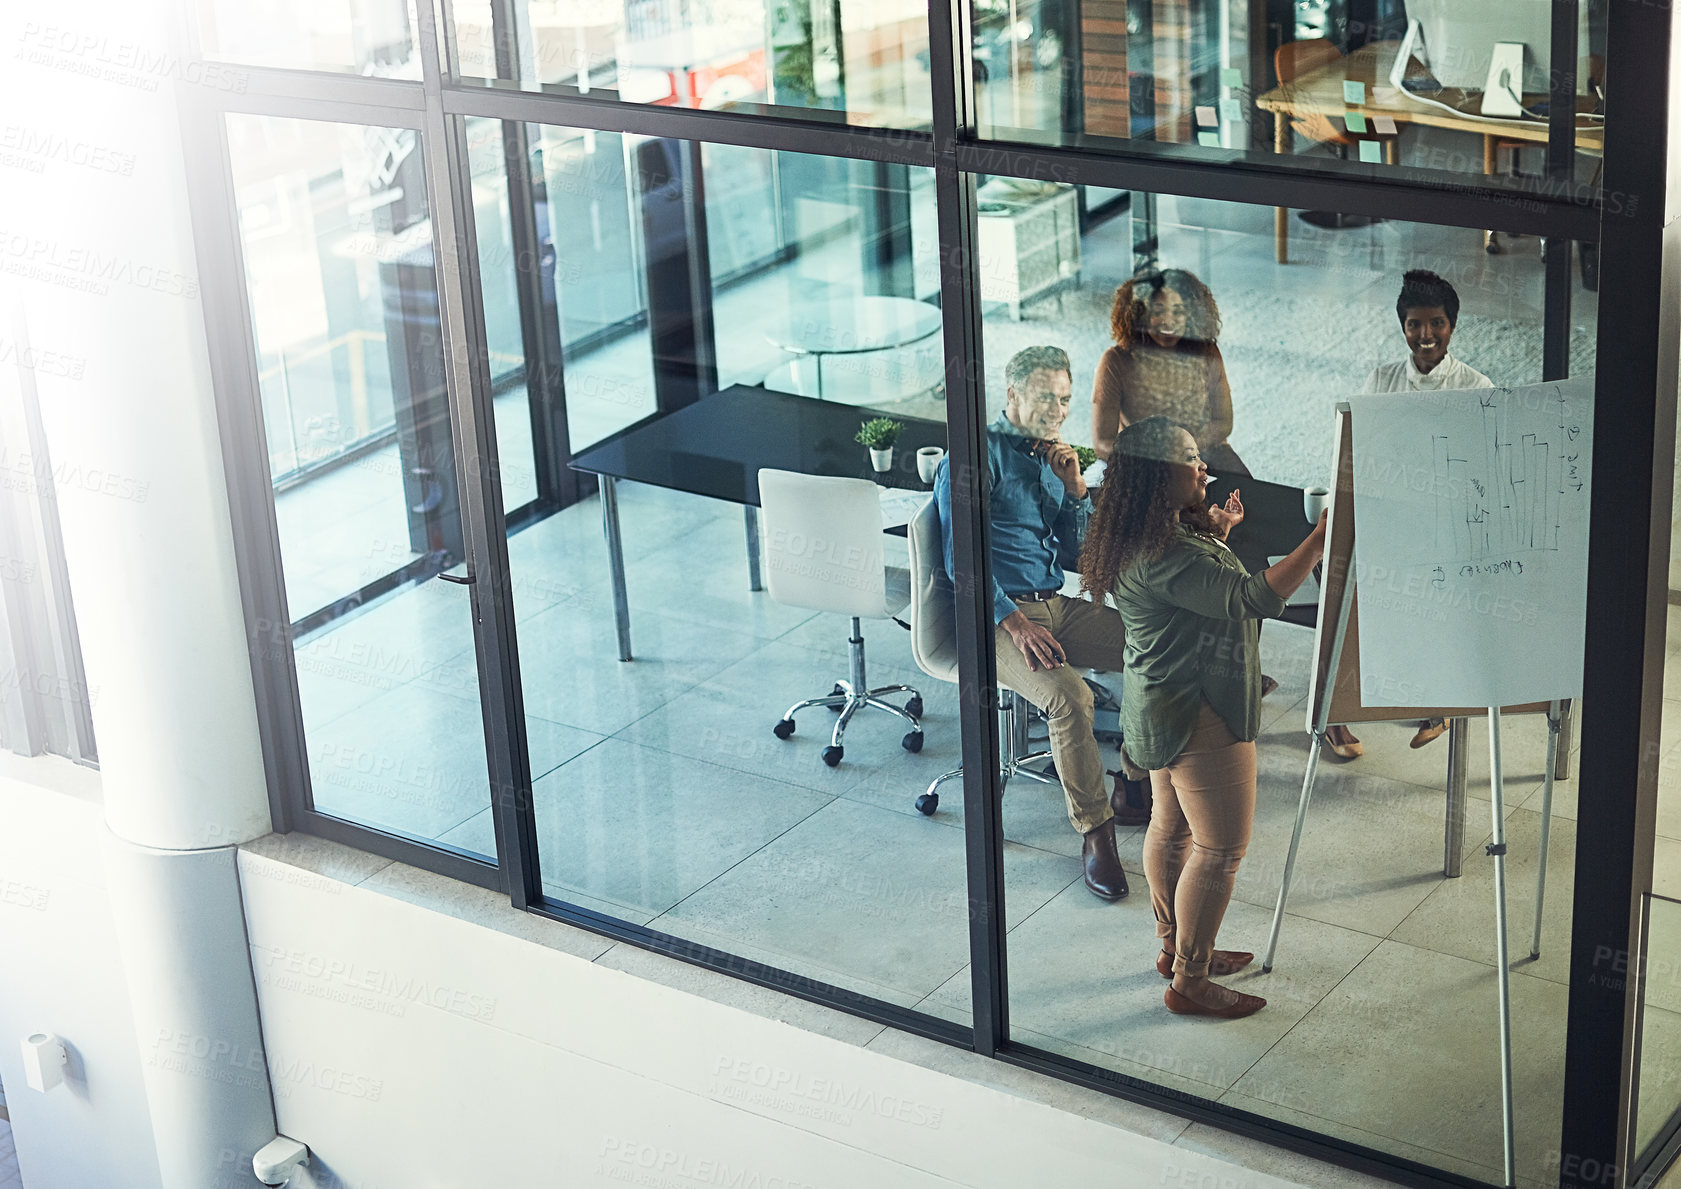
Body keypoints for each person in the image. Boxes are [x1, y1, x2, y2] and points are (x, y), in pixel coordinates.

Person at [1081, 416, 1326, 1018]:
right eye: (1192, 460)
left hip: (1157, 704)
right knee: (1219, 850)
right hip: (1200, 710)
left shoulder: (1143, 534)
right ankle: (1189, 980)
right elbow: (1255, 597)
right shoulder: (1168, 555)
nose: (1205, 468)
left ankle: (1174, 947)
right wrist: (1325, 536)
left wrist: (1213, 533)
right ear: (1163, 479)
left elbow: (1195, 586)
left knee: (1171, 828)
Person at [933, 346, 1152, 902]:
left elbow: (1078, 550)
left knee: (1150, 644)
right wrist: (1017, 625)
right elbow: (963, 564)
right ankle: (1095, 834)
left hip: (1052, 604)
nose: (1057, 409)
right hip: (996, 619)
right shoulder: (973, 454)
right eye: (1044, 397)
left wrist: (1076, 490)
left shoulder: (1053, 457)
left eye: (1065, 399)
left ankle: (1134, 783)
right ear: (1012, 396)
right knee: (1070, 698)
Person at [1328, 269, 1496, 758]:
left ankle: (1436, 707)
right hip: (1388, 515)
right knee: (1349, 603)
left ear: (1453, 325)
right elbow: (1359, 448)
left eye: (1437, 324)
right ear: (1402, 326)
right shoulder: (1381, 380)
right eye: (1415, 324)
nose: (1426, 335)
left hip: (1445, 525)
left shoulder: (1475, 385)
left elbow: (1483, 465)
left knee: (1435, 610)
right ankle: (1338, 716)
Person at [1091, 268, 1248, 478]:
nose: (1168, 320)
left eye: (1178, 311)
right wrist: (1152, 460)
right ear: (1140, 314)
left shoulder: (1207, 352)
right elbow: (1102, 443)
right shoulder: (1115, 361)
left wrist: (1185, 453)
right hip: (1142, 462)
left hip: (1205, 452)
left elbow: (1223, 422)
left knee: (1249, 501)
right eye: (1157, 311)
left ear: (1191, 314)